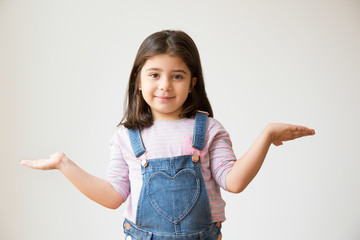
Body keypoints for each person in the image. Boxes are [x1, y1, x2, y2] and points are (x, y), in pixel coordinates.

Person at [21, 30, 315, 240]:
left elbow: (234, 182)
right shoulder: (127, 136)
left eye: (177, 75)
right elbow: (113, 197)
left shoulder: (210, 129)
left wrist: (266, 136)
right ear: (138, 80)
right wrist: (63, 164)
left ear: (192, 83)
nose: (165, 85)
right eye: (154, 74)